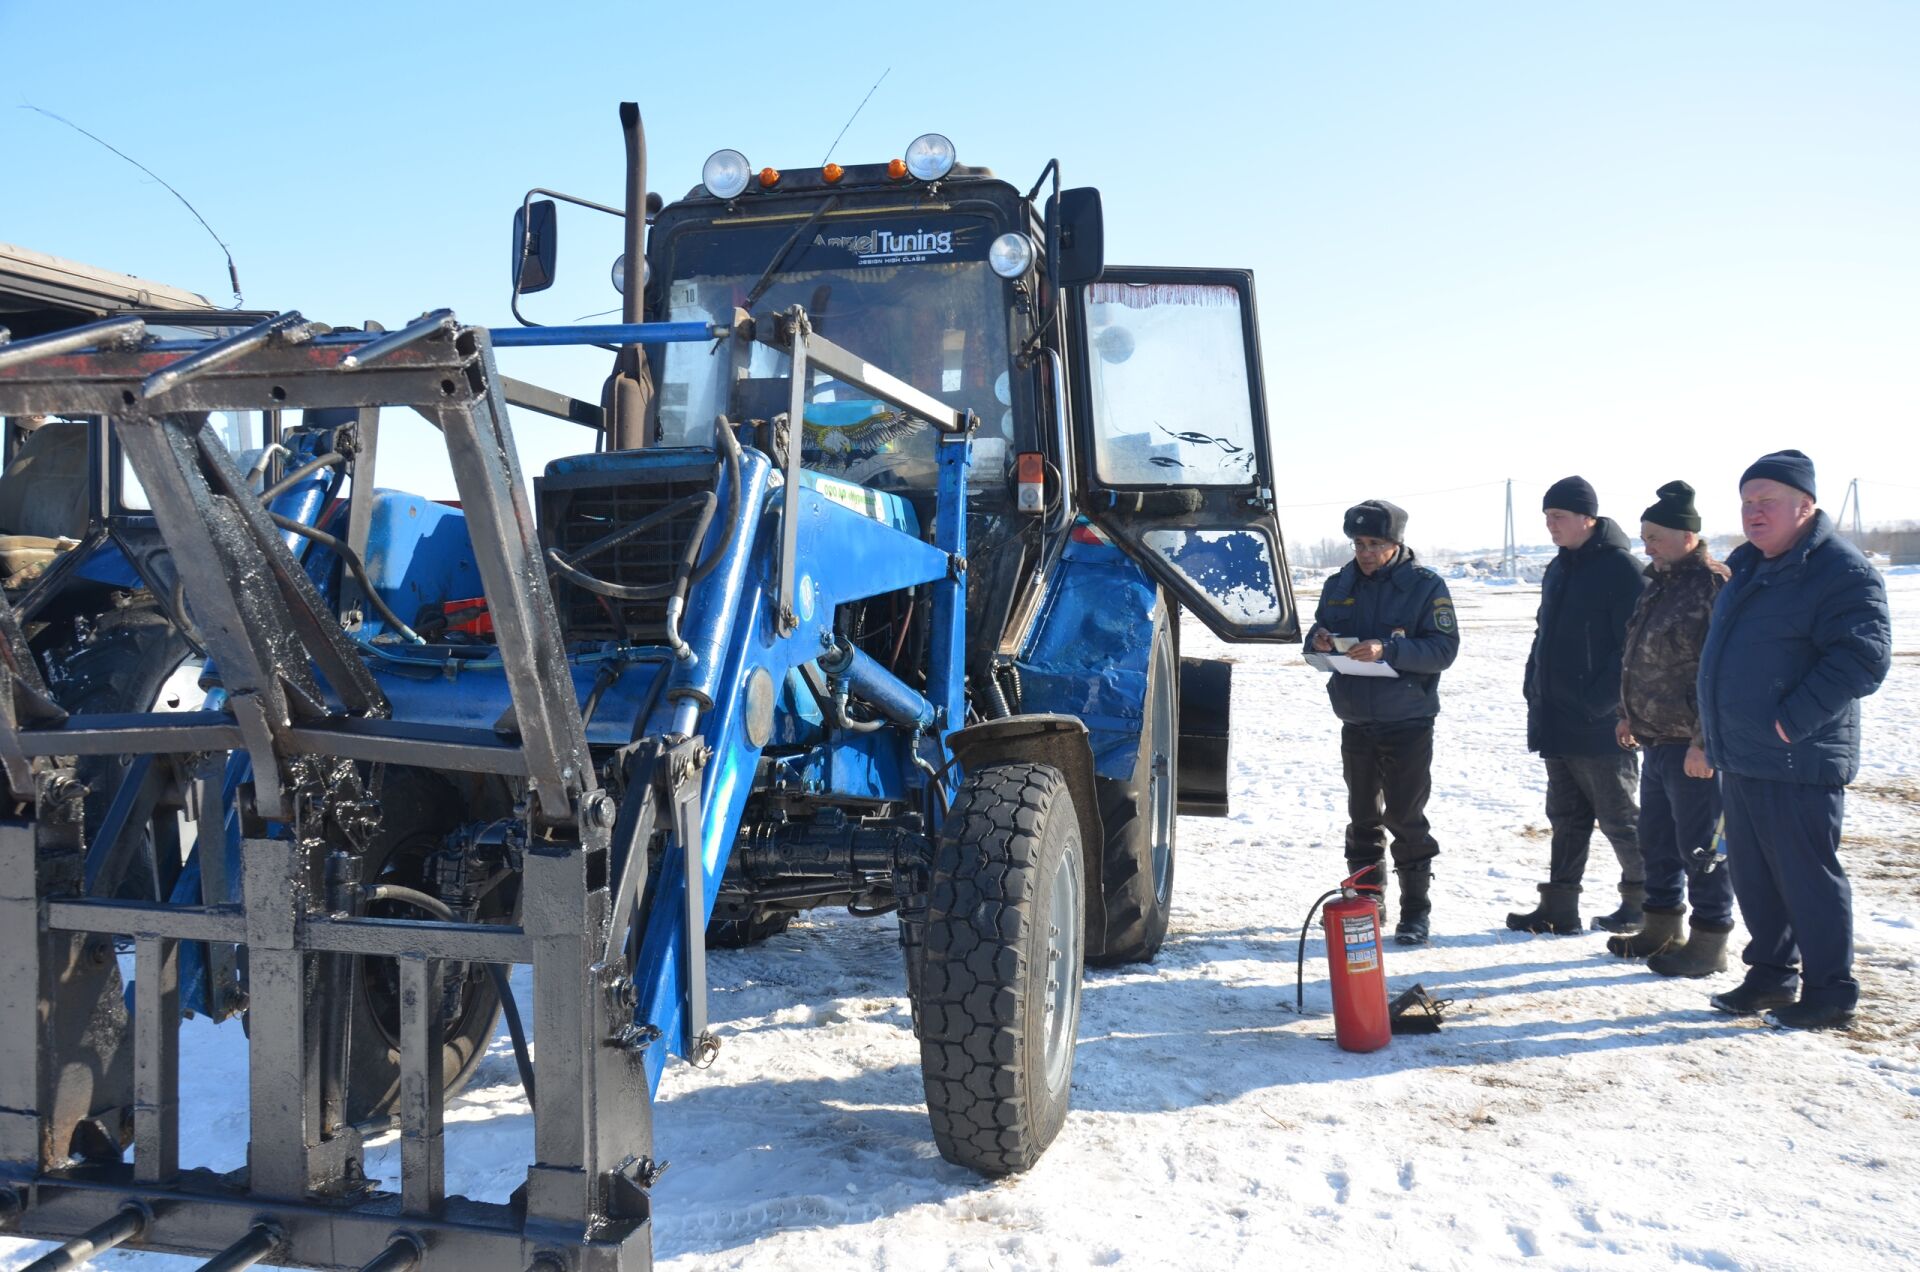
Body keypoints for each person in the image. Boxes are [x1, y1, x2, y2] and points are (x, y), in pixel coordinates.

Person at [1697, 450, 1891, 1030]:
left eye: (1768, 503)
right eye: (1747, 503)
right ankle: (1771, 975)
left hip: (1797, 755)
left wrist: (1789, 721)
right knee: (1754, 874)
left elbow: (1862, 659)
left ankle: (1830, 990)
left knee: (1807, 877)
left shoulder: (1840, 571)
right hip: (1744, 753)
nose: (1754, 514)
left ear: (1805, 506)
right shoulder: (1748, 566)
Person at [1306, 500, 1460, 945]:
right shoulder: (1339, 584)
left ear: (1396, 543)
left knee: (1406, 818)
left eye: (1375, 544)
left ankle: (1416, 913)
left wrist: (1388, 651)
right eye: (1358, 543)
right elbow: (1317, 638)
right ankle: (1367, 898)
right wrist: (1318, 641)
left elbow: (1443, 649)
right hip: (1356, 719)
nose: (1366, 552)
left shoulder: (1425, 586)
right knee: (1362, 816)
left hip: (1408, 722)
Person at [1508, 476, 1648, 935]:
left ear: (1587, 518)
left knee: (1619, 817)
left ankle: (1645, 903)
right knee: (1565, 817)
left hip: (1600, 722)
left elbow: (1632, 647)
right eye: (1547, 517)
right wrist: (1535, 685)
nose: (1551, 525)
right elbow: (1544, 635)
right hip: (1557, 715)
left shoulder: (1622, 569)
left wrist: (1598, 701)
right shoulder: (1559, 567)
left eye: (1559, 517)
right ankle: (1559, 907)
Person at [1607, 481, 1735, 975]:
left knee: (1701, 846)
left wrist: (1704, 742)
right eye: (1643, 535)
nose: (1647, 545)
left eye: (1655, 535)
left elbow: (1717, 672)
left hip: (1692, 747)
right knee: (1657, 839)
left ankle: (1710, 937)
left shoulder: (1710, 586)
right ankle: (1661, 926)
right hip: (1655, 738)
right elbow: (1637, 657)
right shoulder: (1658, 584)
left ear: (1687, 535)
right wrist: (1628, 713)